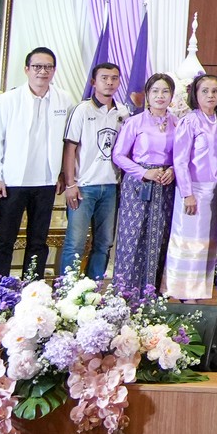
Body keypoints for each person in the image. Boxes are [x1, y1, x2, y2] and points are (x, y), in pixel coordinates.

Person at [0, 46, 75, 278]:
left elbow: (68, 142)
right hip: (13, 181)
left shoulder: (64, 99)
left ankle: (33, 288)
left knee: (38, 240)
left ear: (54, 71)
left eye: (48, 67)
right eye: (37, 66)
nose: (42, 72)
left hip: (46, 181)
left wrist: (63, 174)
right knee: (5, 239)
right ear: (27, 69)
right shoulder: (8, 99)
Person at [60, 63, 129, 281]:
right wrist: (70, 184)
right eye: (104, 78)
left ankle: (92, 289)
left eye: (114, 78)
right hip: (83, 187)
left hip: (111, 187)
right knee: (75, 242)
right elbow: (69, 148)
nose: (109, 82)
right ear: (93, 82)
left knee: (104, 242)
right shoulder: (82, 110)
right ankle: (67, 290)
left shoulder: (123, 112)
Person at [111, 74, 178, 300]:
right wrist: (143, 172)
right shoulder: (135, 122)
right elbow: (119, 155)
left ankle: (152, 294)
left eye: (165, 91)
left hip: (166, 186)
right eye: (155, 91)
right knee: (133, 237)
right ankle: (125, 294)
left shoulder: (177, 123)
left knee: (160, 236)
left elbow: (182, 154)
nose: (160, 96)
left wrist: (173, 170)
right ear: (147, 94)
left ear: (172, 95)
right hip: (139, 184)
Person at [166, 74, 217, 303]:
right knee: (189, 242)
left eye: (215, 91)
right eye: (205, 91)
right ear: (195, 94)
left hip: (215, 189)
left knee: (207, 244)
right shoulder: (190, 121)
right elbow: (180, 161)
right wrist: (187, 193)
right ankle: (184, 291)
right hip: (194, 190)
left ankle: (199, 291)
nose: (210, 95)